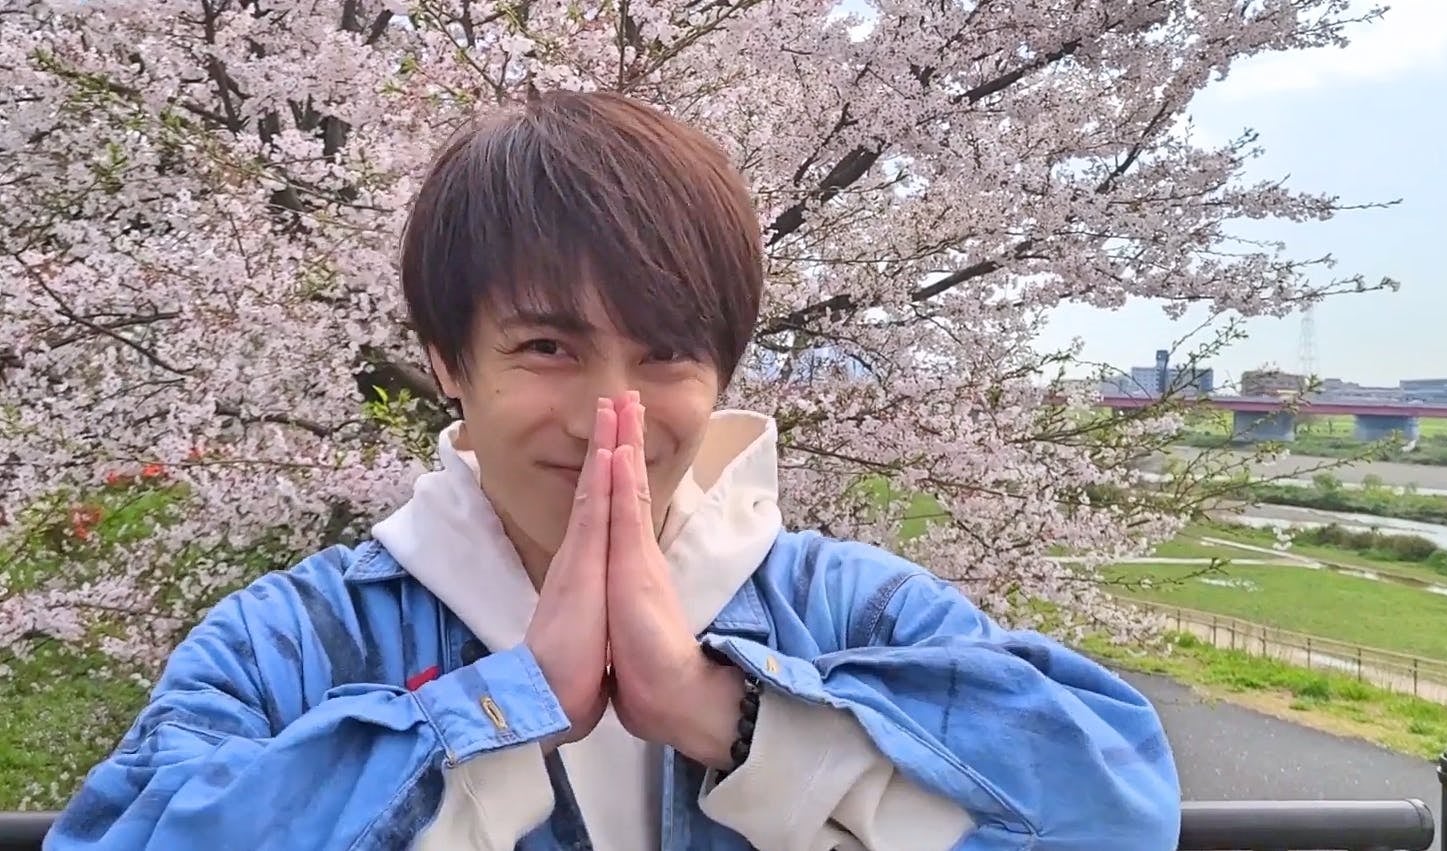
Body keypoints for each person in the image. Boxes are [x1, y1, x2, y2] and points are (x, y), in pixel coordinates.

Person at [46, 90, 1182, 851]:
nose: (609, 420)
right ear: (446, 360)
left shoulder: (847, 607)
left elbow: (1116, 805)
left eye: (666, 354)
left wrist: (725, 710)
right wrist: (501, 710)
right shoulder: (293, 640)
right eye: (546, 347)